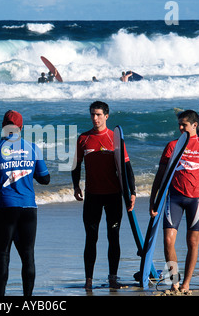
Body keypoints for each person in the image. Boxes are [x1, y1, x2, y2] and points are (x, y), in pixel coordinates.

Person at [149, 110, 199, 294]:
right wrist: (154, 200)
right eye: (179, 124)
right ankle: (174, 281)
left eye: (184, 124)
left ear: (194, 125)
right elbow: (160, 176)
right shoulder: (172, 146)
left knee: (192, 241)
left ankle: (186, 283)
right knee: (168, 241)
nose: (180, 128)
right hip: (174, 198)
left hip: (196, 198)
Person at [0, 110, 50, 296]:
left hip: (6, 209)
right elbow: (45, 179)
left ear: (3, 127)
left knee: (2, 256)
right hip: (28, 209)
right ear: (21, 128)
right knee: (28, 257)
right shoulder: (33, 148)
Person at [71, 101, 136, 290]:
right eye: (92, 114)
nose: (95, 118)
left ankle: (113, 278)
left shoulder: (114, 139)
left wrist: (132, 192)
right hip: (92, 196)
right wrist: (76, 185)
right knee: (91, 238)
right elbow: (76, 165)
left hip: (113, 195)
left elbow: (126, 168)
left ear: (106, 116)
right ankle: (88, 280)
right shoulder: (83, 138)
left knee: (113, 236)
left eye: (98, 114)